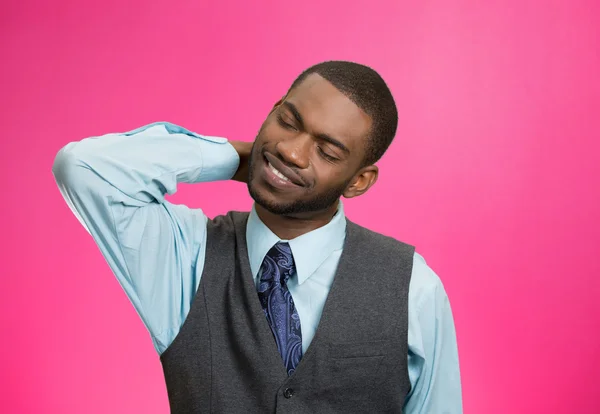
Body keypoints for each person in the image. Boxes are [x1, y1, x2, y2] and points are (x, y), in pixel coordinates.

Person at [52, 61, 462, 413]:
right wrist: (236, 159)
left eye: (328, 152)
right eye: (288, 122)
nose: (293, 152)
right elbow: (83, 168)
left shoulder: (413, 289)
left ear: (358, 181)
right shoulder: (185, 256)